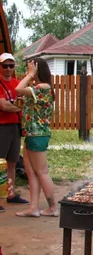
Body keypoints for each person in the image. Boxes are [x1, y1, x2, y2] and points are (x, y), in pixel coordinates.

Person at [15, 58, 58, 217]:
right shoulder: (39, 88)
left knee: (41, 172)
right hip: (31, 134)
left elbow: (18, 88)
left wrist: (29, 74)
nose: (29, 71)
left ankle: (53, 208)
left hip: (37, 135)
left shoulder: (43, 87)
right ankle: (33, 208)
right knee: (31, 172)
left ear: (37, 70)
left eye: (31, 68)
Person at [0, 53, 29, 213]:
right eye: (5, 66)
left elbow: (22, 103)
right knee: (0, 163)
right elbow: (3, 106)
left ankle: (11, 194)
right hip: (2, 126)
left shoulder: (17, 84)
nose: (8, 69)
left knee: (12, 161)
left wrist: (17, 106)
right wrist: (19, 106)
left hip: (15, 127)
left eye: (11, 66)